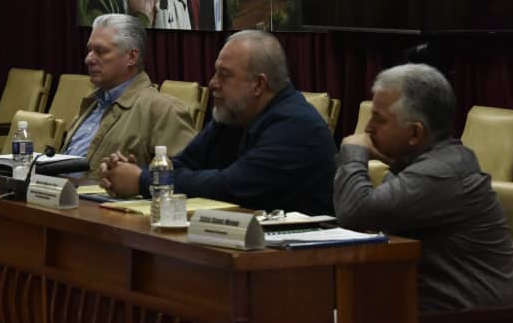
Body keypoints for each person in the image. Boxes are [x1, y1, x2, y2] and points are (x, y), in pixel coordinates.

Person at [334, 64, 513, 312]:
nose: (367, 129)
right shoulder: (430, 163)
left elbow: (354, 213)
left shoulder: (442, 173)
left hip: (462, 321)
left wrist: (353, 152)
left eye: (379, 119)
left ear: (414, 133)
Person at [100, 30, 336, 215]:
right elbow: (183, 164)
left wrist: (143, 180)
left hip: (298, 262)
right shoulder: (233, 115)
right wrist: (129, 174)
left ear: (259, 85)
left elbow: (230, 187)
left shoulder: (296, 128)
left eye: (224, 75)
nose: (212, 83)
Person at [61, 14, 196, 176]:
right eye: (90, 50)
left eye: (101, 51)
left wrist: (137, 179)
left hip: (104, 201)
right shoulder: (92, 103)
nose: (88, 59)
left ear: (131, 57)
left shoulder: (164, 110)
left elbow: (183, 177)